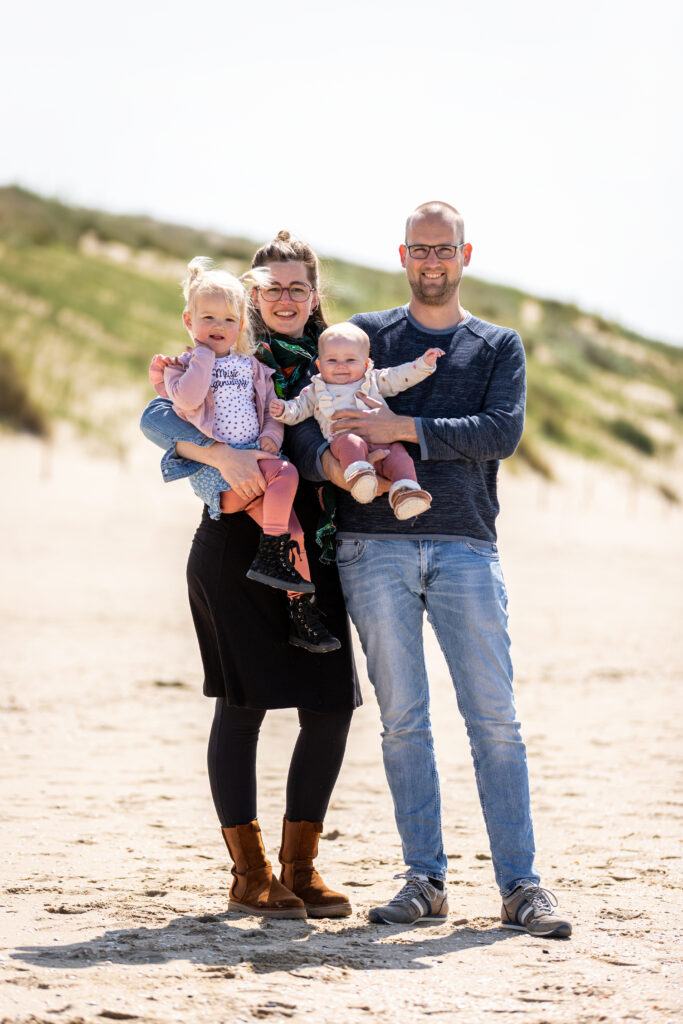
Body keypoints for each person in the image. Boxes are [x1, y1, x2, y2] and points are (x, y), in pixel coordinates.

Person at [286, 202, 572, 938]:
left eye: (443, 248)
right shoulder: (363, 336)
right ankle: (424, 879)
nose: (432, 260)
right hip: (369, 550)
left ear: (465, 254)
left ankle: (519, 885)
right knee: (402, 723)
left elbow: (500, 433)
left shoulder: (496, 344)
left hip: (465, 547)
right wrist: (331, 462)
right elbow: (305, 422)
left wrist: (401, 429)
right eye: (420, 249)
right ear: (402, 255)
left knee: (494, 722)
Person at [140, 230, 361, 920]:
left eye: (298, 286)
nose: (286, 298)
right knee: (242, 707)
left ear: (313, 294)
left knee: (329, 706)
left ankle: (301, 867)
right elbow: (153, 413)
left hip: (312, 552)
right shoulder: (222, 348)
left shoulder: (336, 363)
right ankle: (250, 873)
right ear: (253, 299)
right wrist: (217, 454)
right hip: (233, 548)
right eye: (272, 288)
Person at [149, 257, 339, 632]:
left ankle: (302, 611)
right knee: (285, 472)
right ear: (189, 321)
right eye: (208, 319)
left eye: (228, 320)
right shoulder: (182, 367)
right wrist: (203, 357)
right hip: (223, 480)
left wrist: (272, 436)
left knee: (295, 535)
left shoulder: (254, 365)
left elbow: (270, 412)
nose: (219, 327)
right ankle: (270, 551)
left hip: (260, 471)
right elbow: (181, 404)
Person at [270, 319, 443, 517]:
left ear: (366, 363)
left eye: (350, 360)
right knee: (350, 442)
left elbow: (400, 376)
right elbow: (298, 408)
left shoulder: (374, 380)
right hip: (345, 444)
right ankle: (360, 476)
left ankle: (406, 492)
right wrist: (283, 410)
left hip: (383, 443)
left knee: (400, 456)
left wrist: (423, 364)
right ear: (319, 365)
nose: (341, 366)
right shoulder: (315, 390)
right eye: (332, 361)